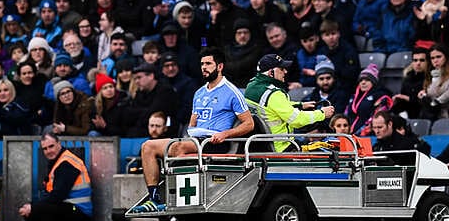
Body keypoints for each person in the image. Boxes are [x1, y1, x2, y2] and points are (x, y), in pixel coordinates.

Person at [130, 47, 253, 213]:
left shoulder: (232, 91)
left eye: (208, 63)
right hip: (195, 140)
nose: (204, 67)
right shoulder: (199, 92)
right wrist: (191, 131)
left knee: (178, 148)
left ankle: (182, 198)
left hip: (214, 142)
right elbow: (192, 122)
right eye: (202, 64)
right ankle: (154, 199)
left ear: (219, 66)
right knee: (147, 147)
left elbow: (249, 123)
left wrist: (225, 134)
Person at [245, 53, 335, 152]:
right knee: (326, 151)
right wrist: (322, 113)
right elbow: (297, 120)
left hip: (264, 145)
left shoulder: (251, 86)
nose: (286, 71)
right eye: (282, 69)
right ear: (271, 73)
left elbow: (271, 106)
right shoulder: (274, 94)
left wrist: (300, 105)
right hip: (282, 148)